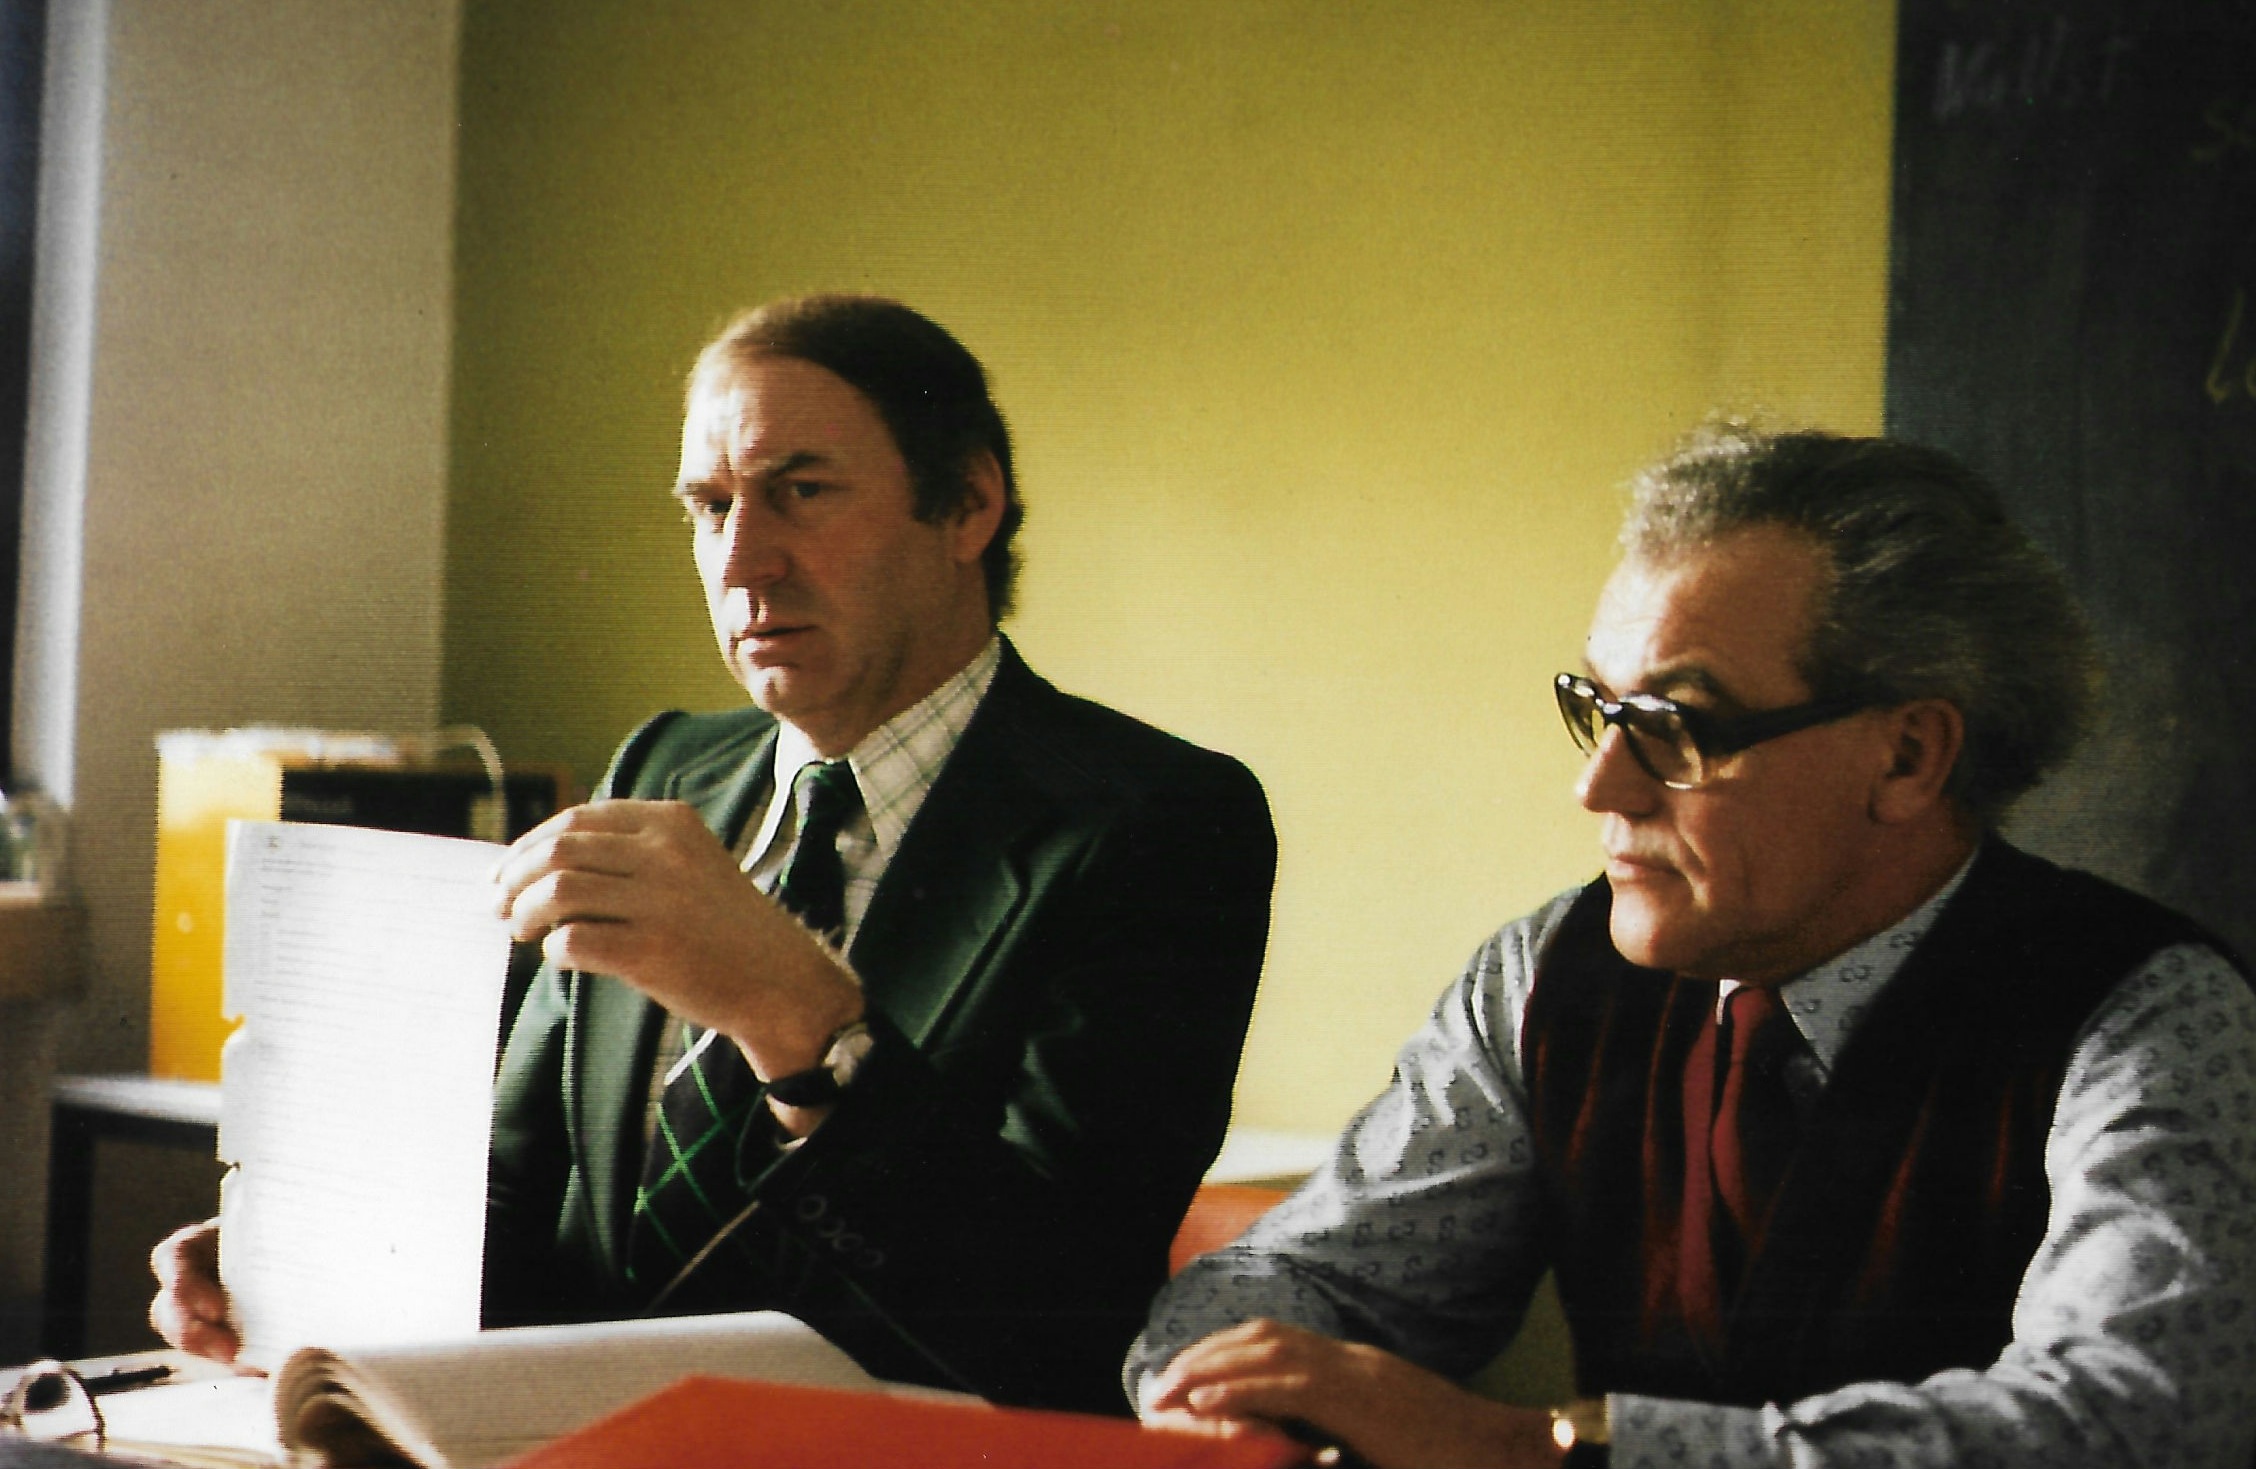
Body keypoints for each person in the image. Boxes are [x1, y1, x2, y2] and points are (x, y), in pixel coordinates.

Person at [152, 295, 1277, 1414]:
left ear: (968, 505)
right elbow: (518, 1193)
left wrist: (802, 1023)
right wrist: (307, 1261)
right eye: (712, 504)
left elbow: (1058, 1310)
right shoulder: (665, 767)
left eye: (802, 490)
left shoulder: (1161, 820)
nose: (744, 561)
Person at [1128, 426, 2256, 1467]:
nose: (1598, 787)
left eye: (1674, 726)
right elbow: (1302, 1273)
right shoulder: (1544, 976)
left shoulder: (2148, 1013)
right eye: (1597, 709)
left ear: (1908, 756)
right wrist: (1219, 1386)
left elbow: (2138, 1419)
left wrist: (1531, 1450)